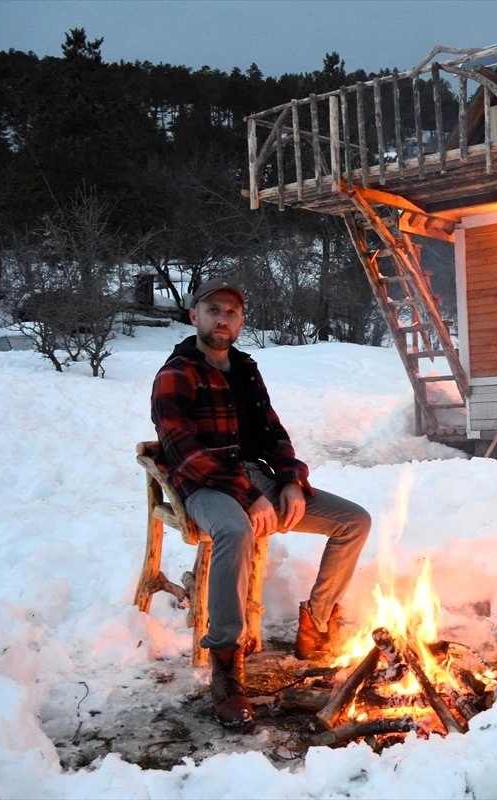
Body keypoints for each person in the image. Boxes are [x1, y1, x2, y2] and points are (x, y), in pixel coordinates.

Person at [150, 277, 371, 732]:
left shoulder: (246, 368)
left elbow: (274, 434)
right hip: (205, 485)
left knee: (353, 521)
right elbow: (183, 451)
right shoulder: (177, 373)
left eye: (231, 312)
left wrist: (291, 480)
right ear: (194, 316)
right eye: (213, 310)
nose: (222, 319)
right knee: (235, 530)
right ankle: (227, 664)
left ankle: (316, 620)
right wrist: (248, 495)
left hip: (257, 480)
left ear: (241, 320)